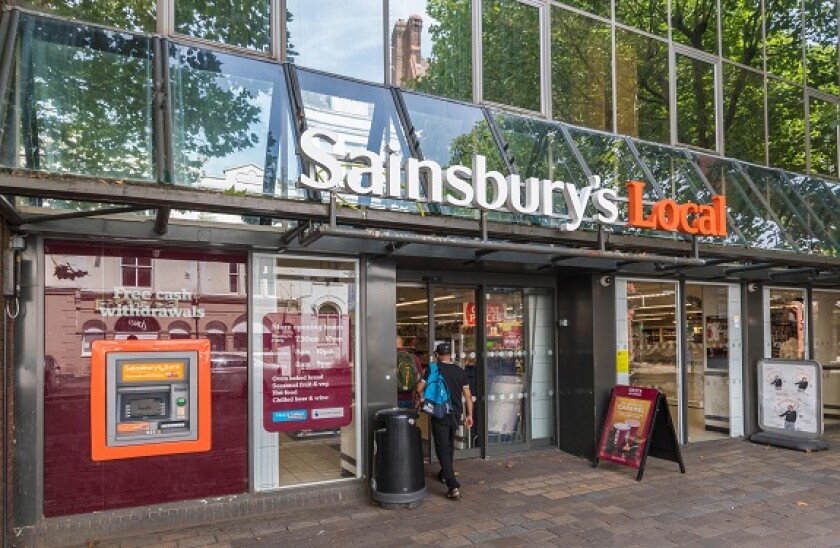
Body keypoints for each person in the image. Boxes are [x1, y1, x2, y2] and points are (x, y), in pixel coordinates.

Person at [416, 342, 473, 500]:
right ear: (450, 355)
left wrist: (422, 381)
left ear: (437, 355)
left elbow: (419, 389)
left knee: (442, 448)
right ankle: (444, 473)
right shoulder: (460, 371)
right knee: (449, 445)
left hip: (439, 413)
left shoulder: (433, 369)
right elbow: (468, 396)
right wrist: (470, 415)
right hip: (455, 414)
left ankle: (452, 485)